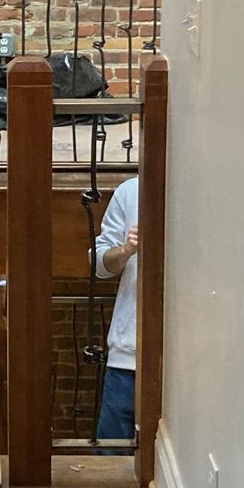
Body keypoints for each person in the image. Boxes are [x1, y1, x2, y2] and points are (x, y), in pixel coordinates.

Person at [92, 175, 141, 448]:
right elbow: (100, 264)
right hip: (128, 356)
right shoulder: (131, 191)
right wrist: (126, 250)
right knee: (111, 454)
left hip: (191, 358)